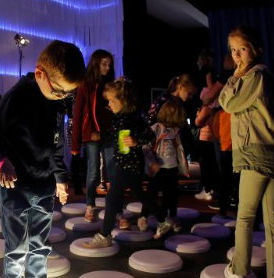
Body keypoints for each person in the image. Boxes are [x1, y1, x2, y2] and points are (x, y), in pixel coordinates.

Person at [0, 40, 84, 278]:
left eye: (68, 92)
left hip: (44, 184)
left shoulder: (57, 102)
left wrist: (61, 178)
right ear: (40, 74)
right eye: (60, 89)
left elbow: (55, 145)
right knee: (16, 245)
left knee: (40, 244)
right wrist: (1, 161)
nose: (64, 96)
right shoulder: (17, 96)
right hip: (16, 186)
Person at [219, 25, 274, 278]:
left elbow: (227, 103)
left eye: (242, 49)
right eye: (233, 50)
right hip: (272, 152)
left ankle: (239, 273)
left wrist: (235, 76)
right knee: (273, 219)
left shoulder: (254, 75)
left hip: (256, 153)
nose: (237, 55)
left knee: (245, 217)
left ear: (255, 49)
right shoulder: (266, 76)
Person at [82, 77, 175, 249]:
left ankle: (104, 234)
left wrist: (136, 140)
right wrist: (102, 136)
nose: (109, 104)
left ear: (123, 100)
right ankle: (163, 219)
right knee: (139, 194)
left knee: (112, 197)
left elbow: (150, 135)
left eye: (112, 100)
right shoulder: (118, 117)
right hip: (122, 163)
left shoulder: (133, 117)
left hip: (129, 164)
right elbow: (116, 137)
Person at [70, 49, 115, 222]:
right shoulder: (85, 84)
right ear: (96, 63)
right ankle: (90, 205)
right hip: (93, 135)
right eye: (104, 63)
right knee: (93, 172)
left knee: (112, 172)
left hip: (109, 133)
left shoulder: (111, 84)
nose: (107, 67)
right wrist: (75, 145)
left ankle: (114, 208)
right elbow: (78, 113)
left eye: (109, 64)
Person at [139, 98, 188, 232]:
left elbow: (179, 148)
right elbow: (145, 146)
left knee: (171, 194)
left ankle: (169, 217)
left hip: (171, 168)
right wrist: (152, 162)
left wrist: (182, 165)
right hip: (157, 168)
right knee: (151, 193)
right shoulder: (156, 128)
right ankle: (143, 216)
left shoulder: (176, 131)